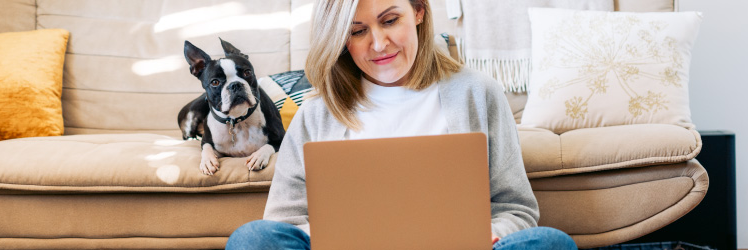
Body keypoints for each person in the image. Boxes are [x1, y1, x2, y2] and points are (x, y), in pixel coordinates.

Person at [226, 0, 577, 249]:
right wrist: (324, 236)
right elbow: (282, 223)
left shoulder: (477, 92)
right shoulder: (316, 114)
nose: (378, 44)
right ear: (341, 40)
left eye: (390, 20)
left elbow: (515, 207)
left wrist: (490, 234)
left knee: (550, 243)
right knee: (252, 240)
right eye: (358, 31)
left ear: (419, 11)